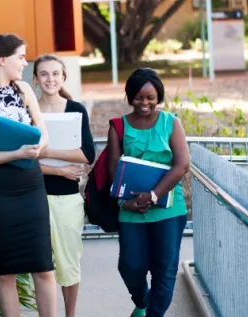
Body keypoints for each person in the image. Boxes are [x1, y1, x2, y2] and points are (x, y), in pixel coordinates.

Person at [0, 34, 57, 317]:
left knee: (45, 267)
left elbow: (43, 131)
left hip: (30, 185)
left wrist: (39, 145)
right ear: (2, 59)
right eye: (21, 57)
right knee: (5, 273)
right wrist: (16, 153)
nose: (25, 63)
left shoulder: (24, 89)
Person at [106, 68, 190, 317]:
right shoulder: (119, 126)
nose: (145, 103)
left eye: (150, 97)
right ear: (129, 96)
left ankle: (154, 314)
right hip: (131, 210)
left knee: (165, 269)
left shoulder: (170, 123)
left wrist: (153, 195)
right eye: (138, 97)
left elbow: (182, 164)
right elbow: (114, 172)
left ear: (159, 97)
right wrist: (125, 203)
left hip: (167, 209)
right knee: (130, 266)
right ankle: (142, 301)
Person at [33, 54, 95, 317]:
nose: (50, 79)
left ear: (63, 77)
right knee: (40, 264)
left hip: (68, 199)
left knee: (69, 264)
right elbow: (22, 160)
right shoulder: (28, 112)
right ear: (35, 79)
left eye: (55, 74)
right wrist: (57, 168)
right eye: (44, 74)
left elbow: (88, 154)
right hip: (34, 197)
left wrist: (45, 151)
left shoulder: (76, 110)